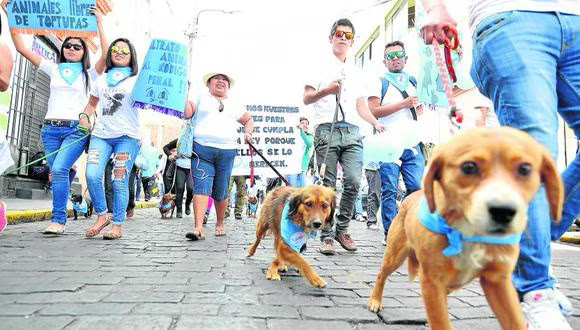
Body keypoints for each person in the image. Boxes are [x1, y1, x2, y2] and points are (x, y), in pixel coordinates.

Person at [420, 1, 579, 329]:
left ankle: (525, 239)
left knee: (531, 162)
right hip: (510, 16)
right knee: (531, 150)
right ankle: (536, 290)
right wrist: (435, 7)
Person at [3, 2, 108, 235]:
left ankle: (58, 220)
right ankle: (69, 176)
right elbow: (21, 48)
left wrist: (100, 22)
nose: (71, 48)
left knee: (58, 170)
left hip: (75, 130)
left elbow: (106, 54)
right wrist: (12, 16)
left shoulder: (88, 74)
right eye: (68, 45)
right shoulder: (53, 68)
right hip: (50, 129)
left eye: (77, 46)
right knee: (60, 171)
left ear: (84, 52)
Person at [304, 18, 385, 255]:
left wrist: (375, 122)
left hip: (352, 131)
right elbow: (307, 98)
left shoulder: (357, 71)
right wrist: (326, 90)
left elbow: (362, 106)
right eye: (339, 34)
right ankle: (326, 236)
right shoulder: (318, 65)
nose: (343, 38)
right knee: (327, 187)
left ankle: (342, 229)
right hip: (326, 129)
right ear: (331, 38)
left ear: (352, 40)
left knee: (352, 180)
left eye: (348, 35)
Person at [367, 41, 425, 245]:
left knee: (416, 186)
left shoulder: (413, 81)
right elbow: (373, 110)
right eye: (390, 56)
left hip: (412, 142)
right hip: (388, 143)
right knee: (390, 189)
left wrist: (416, 108)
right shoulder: (380, 81)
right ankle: (391, 234)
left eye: (399, 54)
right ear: (384, 61)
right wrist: (403, 104)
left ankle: (409, 227)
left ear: (406, 58)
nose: (395, 59)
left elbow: (419, 111)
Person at [183, 71, 253, 240]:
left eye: (224, 80)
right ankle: (198, 227)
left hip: (227, 151)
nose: (221, 81)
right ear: (209, 83)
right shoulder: (200, 97)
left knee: (221, 190)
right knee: (201, 187)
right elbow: (187, 113)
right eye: (217, 79)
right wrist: (182, 93)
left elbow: (248, 120)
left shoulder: (235, 104)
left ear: (228, 85)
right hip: (202, 149)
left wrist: (248, 133)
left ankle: (220, 222)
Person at [83, 38, 141, 240]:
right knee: (91, 175)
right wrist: (84, 117)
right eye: (115, 49)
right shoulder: (100, 79)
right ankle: (101, 215)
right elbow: (91, 106)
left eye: (125, 51)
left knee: (119, 180)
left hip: (127, 137)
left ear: (132, 56)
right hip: (101, 135)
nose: (119, 52)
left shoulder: (137, 80)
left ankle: (117, 225)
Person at [163, 138, 193, 218]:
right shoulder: (180, 139)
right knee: (179, 188)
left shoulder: (196, 140)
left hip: (192, 169)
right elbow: (165, 147)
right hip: (180, 167)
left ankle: (187, 204)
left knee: (191, 188)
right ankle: (179, 210)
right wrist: (170, 155)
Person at [286, 117, 314, 187]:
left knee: (303, 191)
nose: (304, 125)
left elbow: (309, 143)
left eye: (306, 124)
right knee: (292, 190)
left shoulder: (309, 136)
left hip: (302, 168)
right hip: (292, 168)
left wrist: (301, 130)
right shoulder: (292, 136)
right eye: (302, 123)